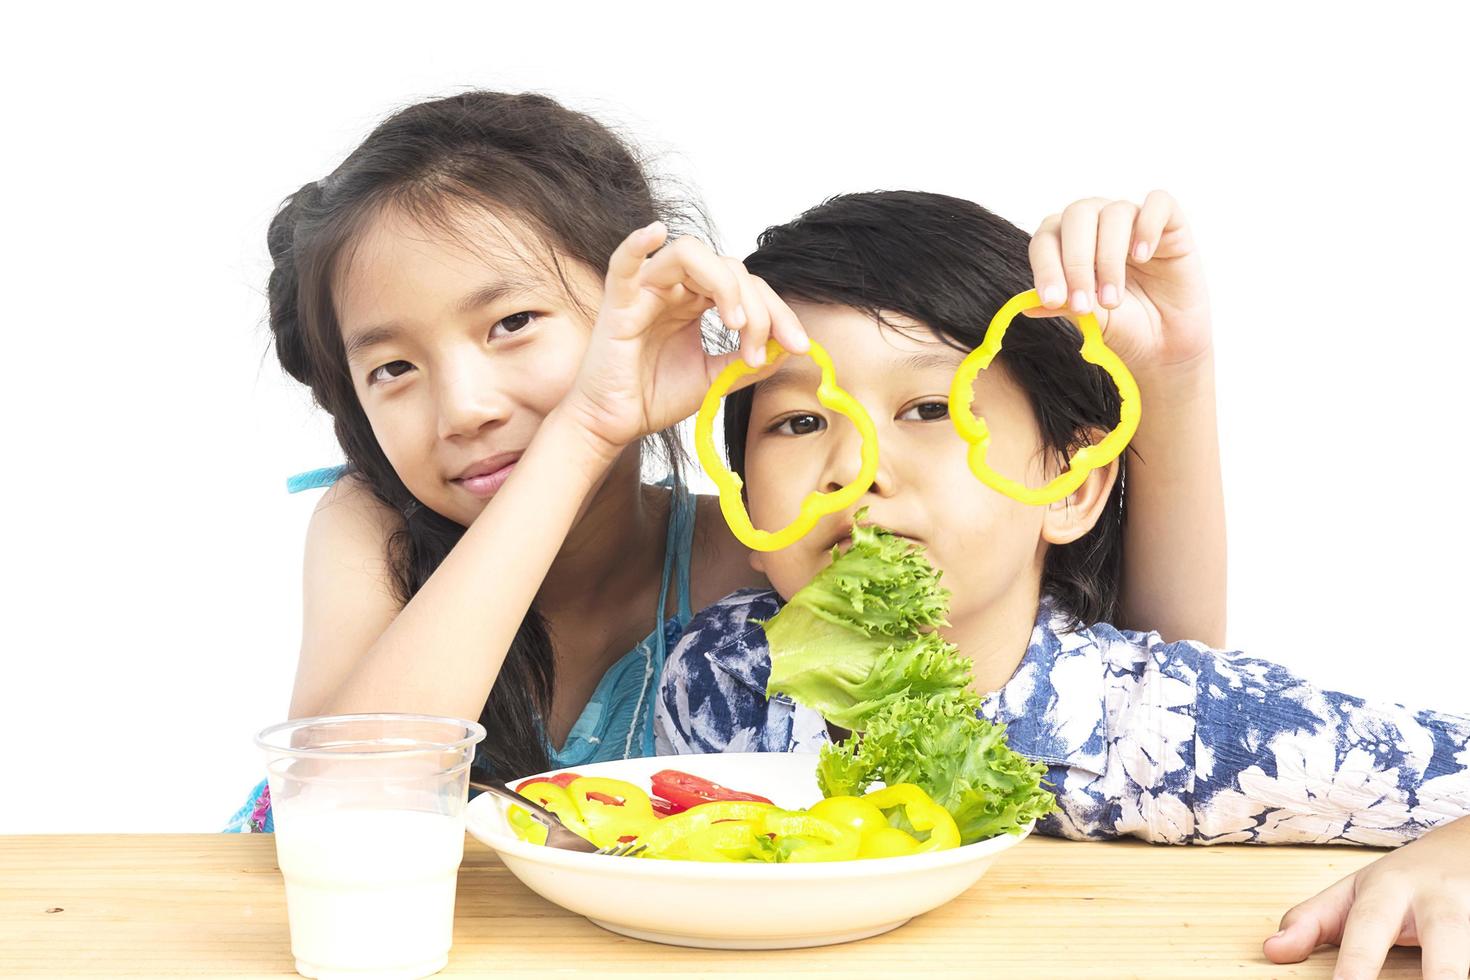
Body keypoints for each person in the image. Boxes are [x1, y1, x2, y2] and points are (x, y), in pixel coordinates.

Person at [227, 90, 1226, 835]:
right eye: (392, 366)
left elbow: (1139, 696)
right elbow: (345, 806)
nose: (466, 405)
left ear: (646, 299)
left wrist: (1172, 376)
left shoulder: (757, 551)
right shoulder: (372, 528)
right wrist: (580, 432)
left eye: (513, 322)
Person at [655, 190, 1470, 979]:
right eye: (799, 423)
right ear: (745, 513)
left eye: (931, 408)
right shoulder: (721, 668)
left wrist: (1451, 857)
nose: (855, 468)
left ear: (1072, 487)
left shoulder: (1163, 726)